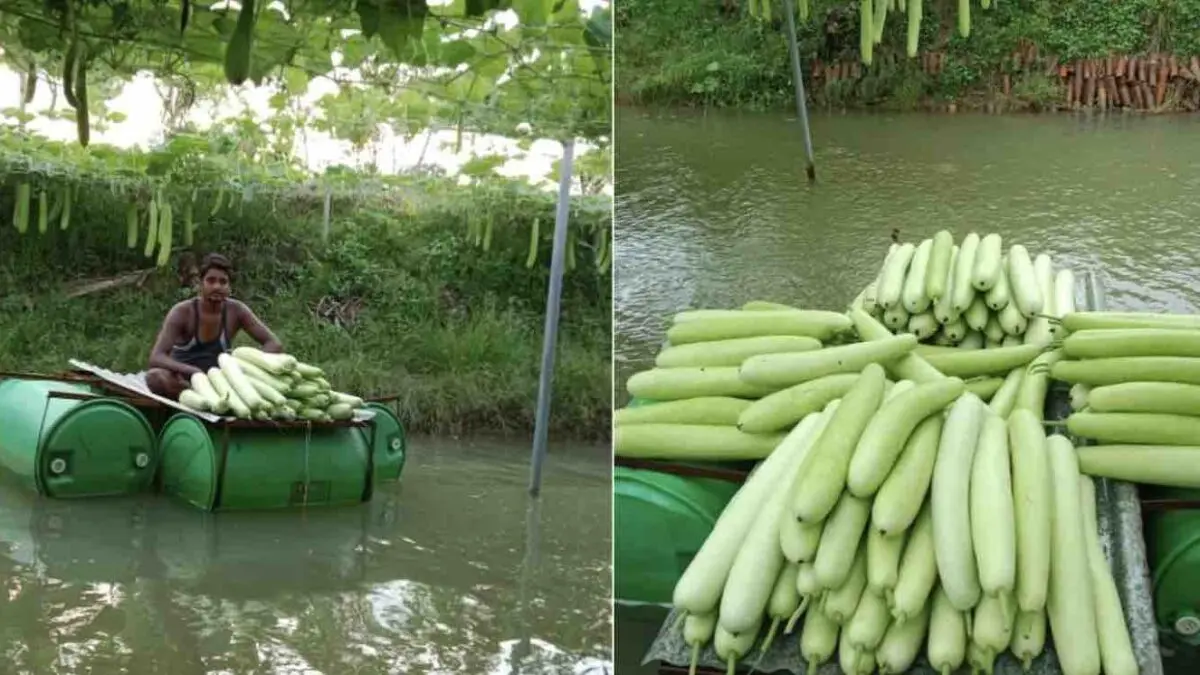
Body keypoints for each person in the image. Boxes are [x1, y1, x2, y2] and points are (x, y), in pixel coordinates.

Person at [145, 252, 284, 400]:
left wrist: (245, 367)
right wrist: (193, 371)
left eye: (223, 282)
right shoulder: (183, 312)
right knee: (155, 377)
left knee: (281, 369)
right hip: (183, 381)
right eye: (211, 281)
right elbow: (156, 357)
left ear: (229, 287)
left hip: (220, 382)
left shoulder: (236, 311)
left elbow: (274, 344)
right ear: (200, 284)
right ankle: (195, 398)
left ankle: (218, 398)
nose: (217, 286)